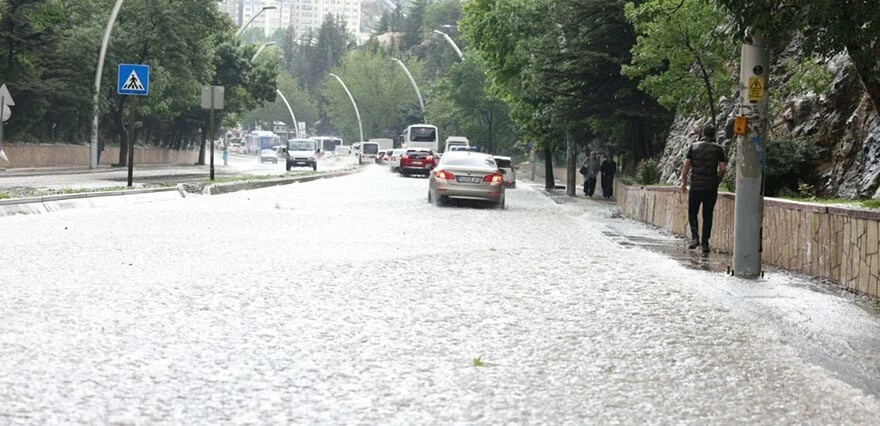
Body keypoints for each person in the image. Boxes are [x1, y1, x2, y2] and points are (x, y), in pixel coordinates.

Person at [680, 124, 727, 253]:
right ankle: (705, 243)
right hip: (711, 187)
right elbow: (722, 168)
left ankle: (695, 238)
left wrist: (684, 182)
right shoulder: (718, 149)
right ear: (714, 135)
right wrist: (717, 180)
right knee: (708, 215)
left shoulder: (693, 147)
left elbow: (686, 166)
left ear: (702, 134)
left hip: (696, 186)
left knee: (692, 212)